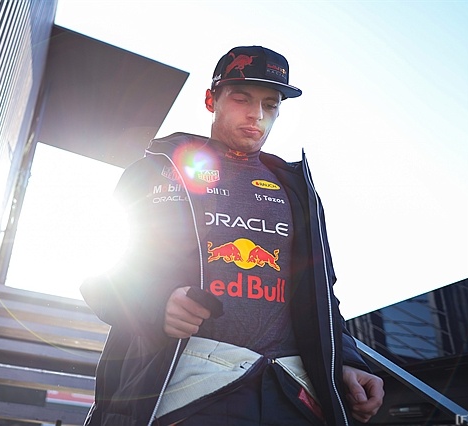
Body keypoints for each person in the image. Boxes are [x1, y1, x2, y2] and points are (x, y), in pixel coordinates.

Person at [80, 45, 384, 426]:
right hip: (187, 393)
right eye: (242, 99)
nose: (257, 114)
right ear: (212, 100)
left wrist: (348, 362)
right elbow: (101, 277)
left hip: (291, 394)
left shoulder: (297, 190)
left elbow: (321, 297)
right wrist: (156, 305)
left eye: (270, 105)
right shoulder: (155, 172)